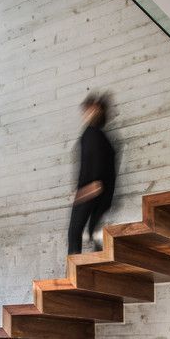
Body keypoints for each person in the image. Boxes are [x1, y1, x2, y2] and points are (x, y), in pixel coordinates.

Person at [67, 94, 116, 255]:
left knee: (75, 234)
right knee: (92, 234)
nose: (85, 113)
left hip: (88, 192)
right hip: (100, 195)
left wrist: (80, 193)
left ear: (96, 110)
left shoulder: (90, 134)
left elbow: (95, 177)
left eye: (89, 109)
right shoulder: (103, 139)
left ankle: (74, 278)